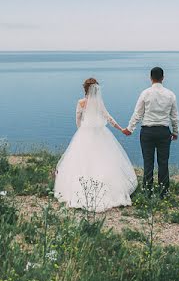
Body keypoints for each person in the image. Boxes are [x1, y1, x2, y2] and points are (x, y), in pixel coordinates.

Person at [54, 78, 138, 211]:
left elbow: (78, 119)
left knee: (82, 162)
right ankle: (108, 190)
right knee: (104, 160)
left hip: (85, 133)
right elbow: (108, 117)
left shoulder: (81, 103)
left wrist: (81, 132)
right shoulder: (99, 103)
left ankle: (80, 192)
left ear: (85, 89)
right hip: (100, 133)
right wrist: (120, 128)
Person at [123, 67, 179, 198]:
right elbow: (175, 116)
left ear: (150, 78)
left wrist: (130, 129)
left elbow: (137, 114)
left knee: (148, 162)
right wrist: (175, 131)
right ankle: (163, 192)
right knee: (163, 162)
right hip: (163, 132)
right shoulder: (170, 94)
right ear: (163, 78)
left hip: (147, 132)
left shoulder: (145, 93)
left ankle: (148, 192)